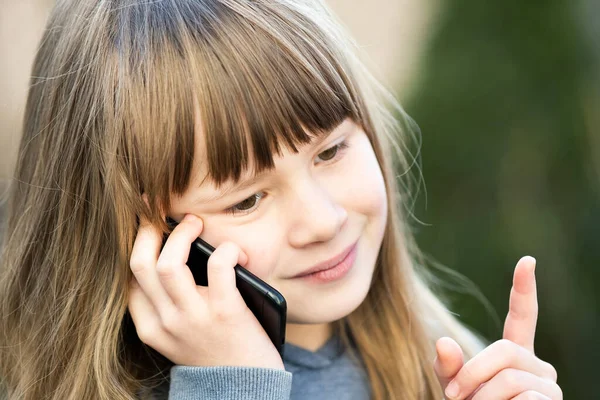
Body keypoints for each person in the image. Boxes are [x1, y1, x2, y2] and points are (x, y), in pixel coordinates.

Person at [0, 0, 562, 399]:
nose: (323, 220)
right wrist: (234, 386)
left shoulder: (445, 370)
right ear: (146, 236)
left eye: (329, 152)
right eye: (246, 200)